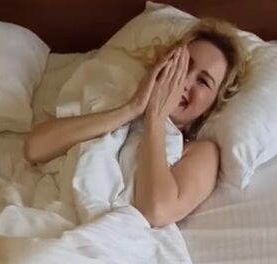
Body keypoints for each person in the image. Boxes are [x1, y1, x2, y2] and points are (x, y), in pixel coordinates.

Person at [24, 19, 248, 227]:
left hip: (110, 233)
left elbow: (156, 211)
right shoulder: (112, 99)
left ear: (210, 107)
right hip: (51, 213)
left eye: (203, 81)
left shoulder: (201, 152)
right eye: (184, 66)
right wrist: (131, 109)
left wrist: (155, 118)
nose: (186, 82)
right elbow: (35, 149)